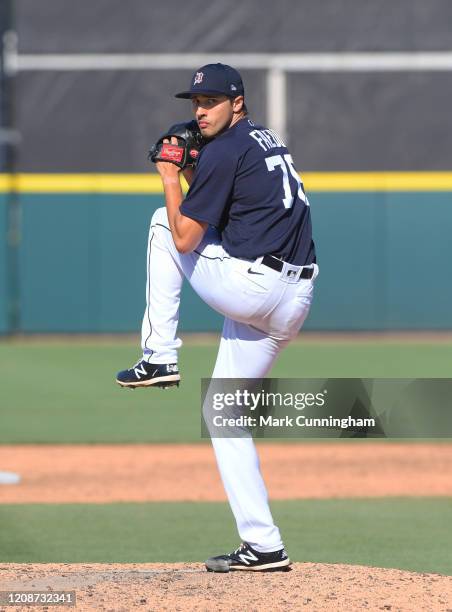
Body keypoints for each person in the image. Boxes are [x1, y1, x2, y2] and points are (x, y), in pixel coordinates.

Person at [116, 63, 318, 572]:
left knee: (165, 223)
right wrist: (193, 170)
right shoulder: (262, 140)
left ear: (238, 103)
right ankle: (265, 545)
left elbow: (187, 237)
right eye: (195, 103)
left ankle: (159, 356)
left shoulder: (224, 150)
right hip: (293, 299)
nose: (200, 111)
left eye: (211, 102)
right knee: (225, 415)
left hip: (255, 289)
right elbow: (230, 209)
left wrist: (170, 173)